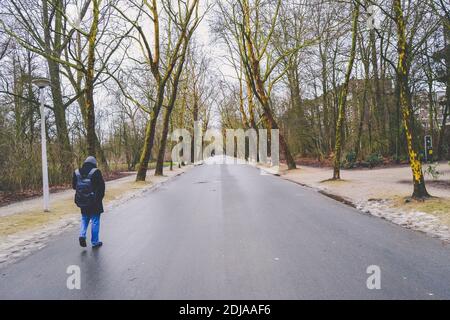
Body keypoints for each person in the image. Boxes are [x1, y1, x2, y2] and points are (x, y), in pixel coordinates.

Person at [72, 156, 105, 248]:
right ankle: (95, 242)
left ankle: (82, 235)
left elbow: (74, 186)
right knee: (95, 220)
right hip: (94, 201)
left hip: (82, 200)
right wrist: (98, 199)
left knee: (84, 218)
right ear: (94, 163)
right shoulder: (96, 172)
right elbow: (101, 187)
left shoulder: (77, 172)